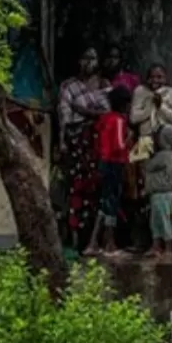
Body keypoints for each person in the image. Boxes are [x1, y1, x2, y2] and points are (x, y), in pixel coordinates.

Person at [57, 47, 109, 252]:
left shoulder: (104, 85)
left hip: (99, 146)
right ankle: (75, 239)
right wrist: (61, 142)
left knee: (98, 191)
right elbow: (64, 118)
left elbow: (108, 114)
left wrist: (84, 111)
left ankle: (96, 241)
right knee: (76, 190)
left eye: (93, 58)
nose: (89, 62)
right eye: (85, 58)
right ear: (79, 61)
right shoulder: (69, 87)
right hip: (77, 144)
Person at [89, 85, 134, 257]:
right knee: (112, 203)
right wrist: (128, 139)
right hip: (114, 163)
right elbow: (118, 146)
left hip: (104, 162)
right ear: (124, 105)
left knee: (104, 202)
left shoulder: (105, 119)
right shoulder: (118, 120)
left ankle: (94, 242)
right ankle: (109, 242)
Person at [144, 124, 172, 262]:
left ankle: (168, 248)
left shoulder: (165, 155)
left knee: (164, 221)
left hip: (163, 194)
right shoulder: (167, 154)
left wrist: (147, 155)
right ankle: (156, 246)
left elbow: (149, 166)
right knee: (155, 222)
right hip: (157, 194)